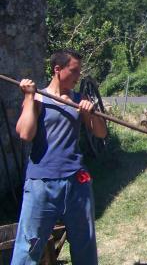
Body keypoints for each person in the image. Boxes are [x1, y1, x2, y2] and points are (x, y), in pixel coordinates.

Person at [12, 50, 107, 265]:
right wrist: (28, 97)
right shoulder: (38, 98)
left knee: (85, 244)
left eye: (79, 72)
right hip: (41, 184)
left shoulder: (78, 99)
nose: (77, 77)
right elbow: (25, 134)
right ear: (58, 69)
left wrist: (90, 112)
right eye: (74, 71)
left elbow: (100, 133)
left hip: (76, 182)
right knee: (29, 245)